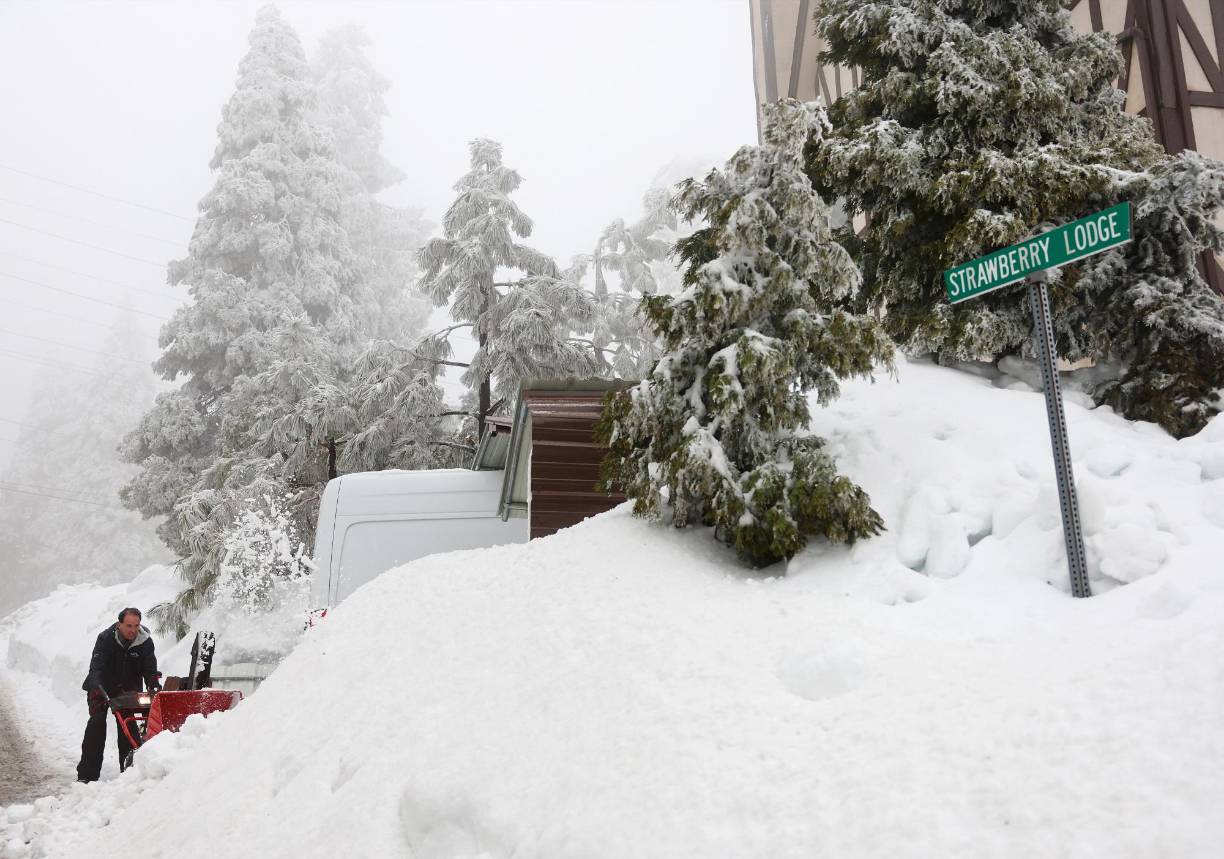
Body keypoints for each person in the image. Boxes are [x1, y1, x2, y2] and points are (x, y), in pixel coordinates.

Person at [76, 607, 160, 782]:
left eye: (136, 625)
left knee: (127, 727)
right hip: (101, 687)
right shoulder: (106, 638)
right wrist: (96, 684)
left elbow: (149, 669)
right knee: (96, 726)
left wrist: (153, 683)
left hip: (127, 690)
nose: (133, 630)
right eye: (129, 625)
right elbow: (96, 666)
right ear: (119, 623)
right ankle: (87, 776)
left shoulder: (145, 642)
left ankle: (129, 772)